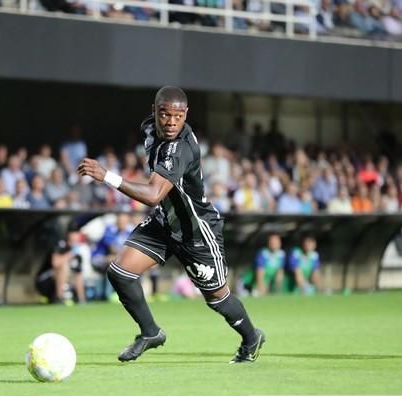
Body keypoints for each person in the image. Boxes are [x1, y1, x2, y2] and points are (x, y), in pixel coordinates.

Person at [78, 86, 264, 364]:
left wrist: (107, 176)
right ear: (154, 112)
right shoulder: (150, 129)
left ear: (186, 115)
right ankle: (150, 332)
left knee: (217, 298)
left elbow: (154, 195)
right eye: (165, 114)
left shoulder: (179, 150)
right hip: (165, 222)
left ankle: (251, 337)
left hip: (196, 231)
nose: (171, 122)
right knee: (120, 272)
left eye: (178, 116)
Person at [35, 229, 86, 304]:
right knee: (64, 266)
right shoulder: (61, 245)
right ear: (69, 234)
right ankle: (59, 298)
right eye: (74, 233)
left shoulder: (77, 253)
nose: (76, 236)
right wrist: (70, 254)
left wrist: (82, 299)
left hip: (64, 284)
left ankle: (81, 299)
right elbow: (55, 263)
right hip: (45, 281)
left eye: (78, 233)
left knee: (78, 272)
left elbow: (78, 273)